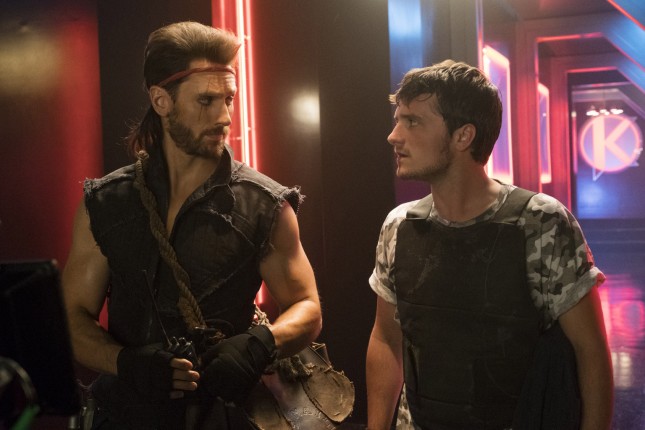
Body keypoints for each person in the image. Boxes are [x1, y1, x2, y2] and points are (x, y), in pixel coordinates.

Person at [62, 21, 322, 429]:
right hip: (125, 415)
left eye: (229, 99)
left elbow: (307, 306)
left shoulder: (263, 204)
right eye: (206, 101)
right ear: (161, 100)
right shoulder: (107, 202)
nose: (224, 116)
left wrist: (259, 343)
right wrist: (126, 362)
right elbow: (72, 316)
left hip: (224, 415)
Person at [366, 60, 613, 430]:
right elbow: (386, 338)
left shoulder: (540, 222)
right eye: (398, 119)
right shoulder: (399, 226)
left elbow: (589, 352)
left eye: (412, 121)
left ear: (463, 136)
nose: (394, 136)